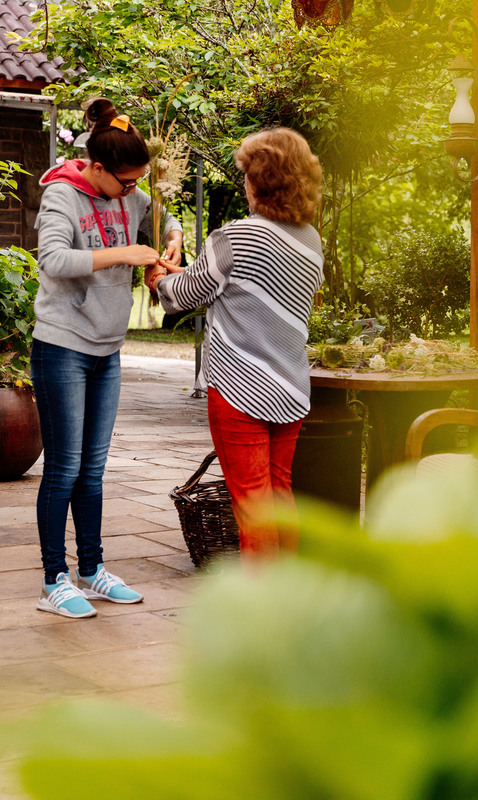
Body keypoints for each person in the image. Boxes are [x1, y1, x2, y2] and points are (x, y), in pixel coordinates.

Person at [32, 98, 183, 618]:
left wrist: (171, 243)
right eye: (124, 181)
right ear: (96, 167)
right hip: (62, 345)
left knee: (93, 469)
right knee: (64, 468)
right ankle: (55, 579)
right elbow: (52, 260)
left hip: (107, 349)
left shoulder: (132, 197)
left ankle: (92, 570)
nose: (131, 191)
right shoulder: (62, 197)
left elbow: (163, 227)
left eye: (138, 182)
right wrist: (124, 254)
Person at [146, 127, 323, 558]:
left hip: (241, 390)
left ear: (259, 181)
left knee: (252, 503)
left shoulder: (233, 237)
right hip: (292, 385)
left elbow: (184, 296)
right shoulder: (311, 240)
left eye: (246, 174)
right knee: (278, 493)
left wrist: (158, 280)